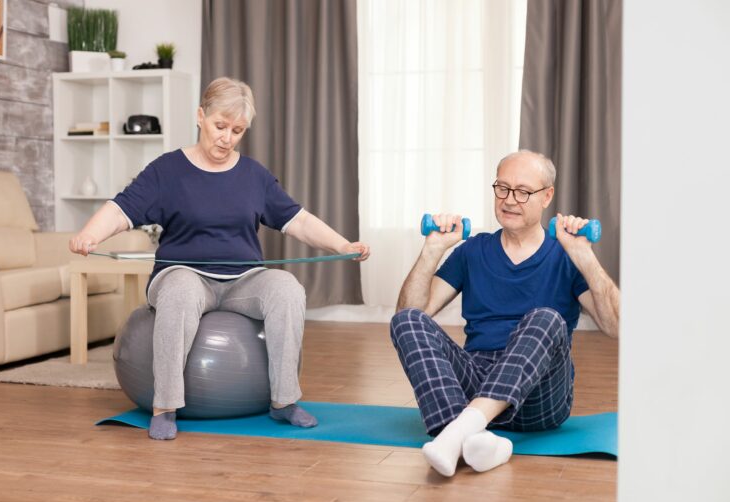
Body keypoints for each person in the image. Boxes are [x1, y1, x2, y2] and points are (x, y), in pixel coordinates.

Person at [70, 77, 370, 440]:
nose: (227, 138)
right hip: (182, 274)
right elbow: (122, 209)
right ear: (201, 116)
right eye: (220, 126)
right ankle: (165, 407)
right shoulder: (167, 171)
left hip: (243, 280)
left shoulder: (254, 176)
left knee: (286, 289)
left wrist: (343, 246)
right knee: (180, 290)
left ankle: (284, 400)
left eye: (237, 130)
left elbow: (298, 220)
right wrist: (90, 234)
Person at [390, 149, 619, 476]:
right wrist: (433, 250)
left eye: (523, 191)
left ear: (546, 196)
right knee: (406, 321)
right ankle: (475, 440)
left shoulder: (566, 254)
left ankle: (453, 433)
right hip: (476, 378)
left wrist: (584, 256)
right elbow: (412, 312)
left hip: (539, 397)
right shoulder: (473, 251)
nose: (510, 199)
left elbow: (617, 326)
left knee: (546, 317)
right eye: (503, 188)